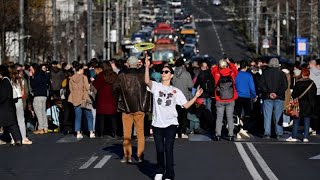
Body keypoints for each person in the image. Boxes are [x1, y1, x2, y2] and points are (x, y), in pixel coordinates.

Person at [145, 55, 203, 180]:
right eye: (162, 72)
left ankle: (170, 174)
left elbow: (186, 105)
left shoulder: (175, 91)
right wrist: (146, 67)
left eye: (166, 72)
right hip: (157, 124)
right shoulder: (156, 86)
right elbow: (146, 81)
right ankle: (160, 170)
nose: (164, 73)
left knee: (168, 149)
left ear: (171, 75)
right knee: (159, 149)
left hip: (171, 124)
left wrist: (196, 96)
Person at [113, 56, 152, 163]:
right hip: (140, 106)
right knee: (140, 132)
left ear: (128, 64)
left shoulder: (122, 76)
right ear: (137, 64)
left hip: (126, 107)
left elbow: (115, 89)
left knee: (127, 133)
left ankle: (127, 156)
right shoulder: (143, 75)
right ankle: (140, 155)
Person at [258, 58, 288, 139]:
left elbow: (261, 84)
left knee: (267, 116)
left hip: (267, 97)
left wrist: (268, 93)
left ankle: (267, 133)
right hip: (279, 97)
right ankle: (279, 133)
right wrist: (277, 93)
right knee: (278, 116)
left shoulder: (265, 73)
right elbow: (285, 85)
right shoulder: (282, 74)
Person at [286, 68, 317, 142]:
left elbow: (293, 95)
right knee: (307, 121)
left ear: (302, 74)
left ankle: (294, 136)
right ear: (308, 74)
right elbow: (314, 95)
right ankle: (305, 137)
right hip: (308, 105)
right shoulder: (312, 83)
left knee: (296, 120)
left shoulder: (298, 83)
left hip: (298, 104)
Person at [211, 58, 238, 141]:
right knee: (230, 117)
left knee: (219, 117)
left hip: (219, 98)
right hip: (230, 98)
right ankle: (230, 134)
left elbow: (212, 70)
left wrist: (217, 66)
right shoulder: (231, 73)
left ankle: (218, 134)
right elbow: (236, 70)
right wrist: (229, 63)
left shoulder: (217, 73)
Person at [68, 62, 95, 139]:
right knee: (89, 115)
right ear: (80, 69)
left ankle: (78, 133)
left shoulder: (71, 79)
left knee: (77, 116)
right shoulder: (84, 77)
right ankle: (91, 132)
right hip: (84, 98)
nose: (83, 70)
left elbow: (71, 89)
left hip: (75, 99)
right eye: (82, 68)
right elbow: (87, 88)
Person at [0, 65, 22, 146]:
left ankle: (14, 139)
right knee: (11, 124)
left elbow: (3, 95)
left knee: (9, 123)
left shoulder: (4, 81)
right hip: (8, 106)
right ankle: (17, 139)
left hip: (4, 106)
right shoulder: (7, 80)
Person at [30, 63, 50, 134]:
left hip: (38, 95)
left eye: (31, 68)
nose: (30, 70)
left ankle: (41, 128)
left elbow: (33, 85)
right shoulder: (44, 74)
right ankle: (45, 127)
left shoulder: (36, 75)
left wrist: (31, 77)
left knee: (38, 112)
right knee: (43, 112)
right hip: (44, 95)